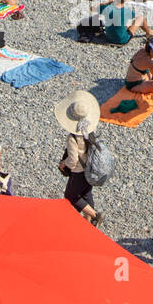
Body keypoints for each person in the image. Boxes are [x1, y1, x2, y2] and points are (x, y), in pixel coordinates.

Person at [55, 91, 102, 226]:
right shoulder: (89, 132)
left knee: (71, 196)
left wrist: (63, 164)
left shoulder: (73, 137)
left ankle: (95, 215)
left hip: (78, 172)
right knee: (86, 194)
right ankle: (89, 224)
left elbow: (73, 160)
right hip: (90, 170)